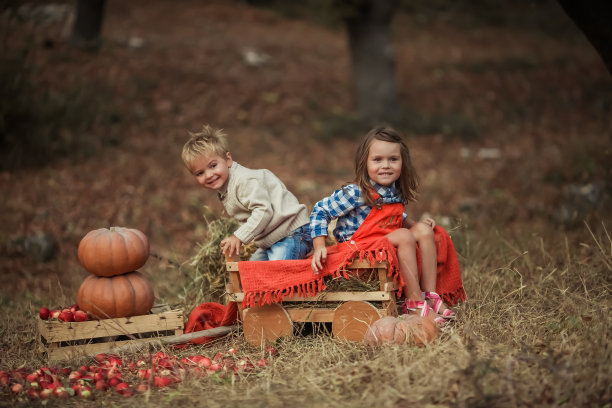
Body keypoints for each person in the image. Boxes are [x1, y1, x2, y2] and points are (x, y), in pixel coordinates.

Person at [309, 126, 455, 324]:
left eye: (393, 159)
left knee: (424, 230)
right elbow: (320, 210)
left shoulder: (394, 191)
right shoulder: (355, 193)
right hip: (356, 250)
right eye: (377, 160)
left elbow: (393, 217)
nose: (386, 165)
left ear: (403, 163)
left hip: (380, 244)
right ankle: (413, 303)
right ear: (364, 163)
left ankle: (429, 295)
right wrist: (319, 246)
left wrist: (416, 225)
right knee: (404, 235)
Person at [182, 125, 313, 261]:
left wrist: (239, 236)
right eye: (200, 173)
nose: (208, 175)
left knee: (277, 274)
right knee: (252, 272)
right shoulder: (226, 189)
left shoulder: (244, 181)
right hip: (271, 239)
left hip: (291, 232)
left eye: (213, 165)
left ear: (228, 160)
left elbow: (263, 211)